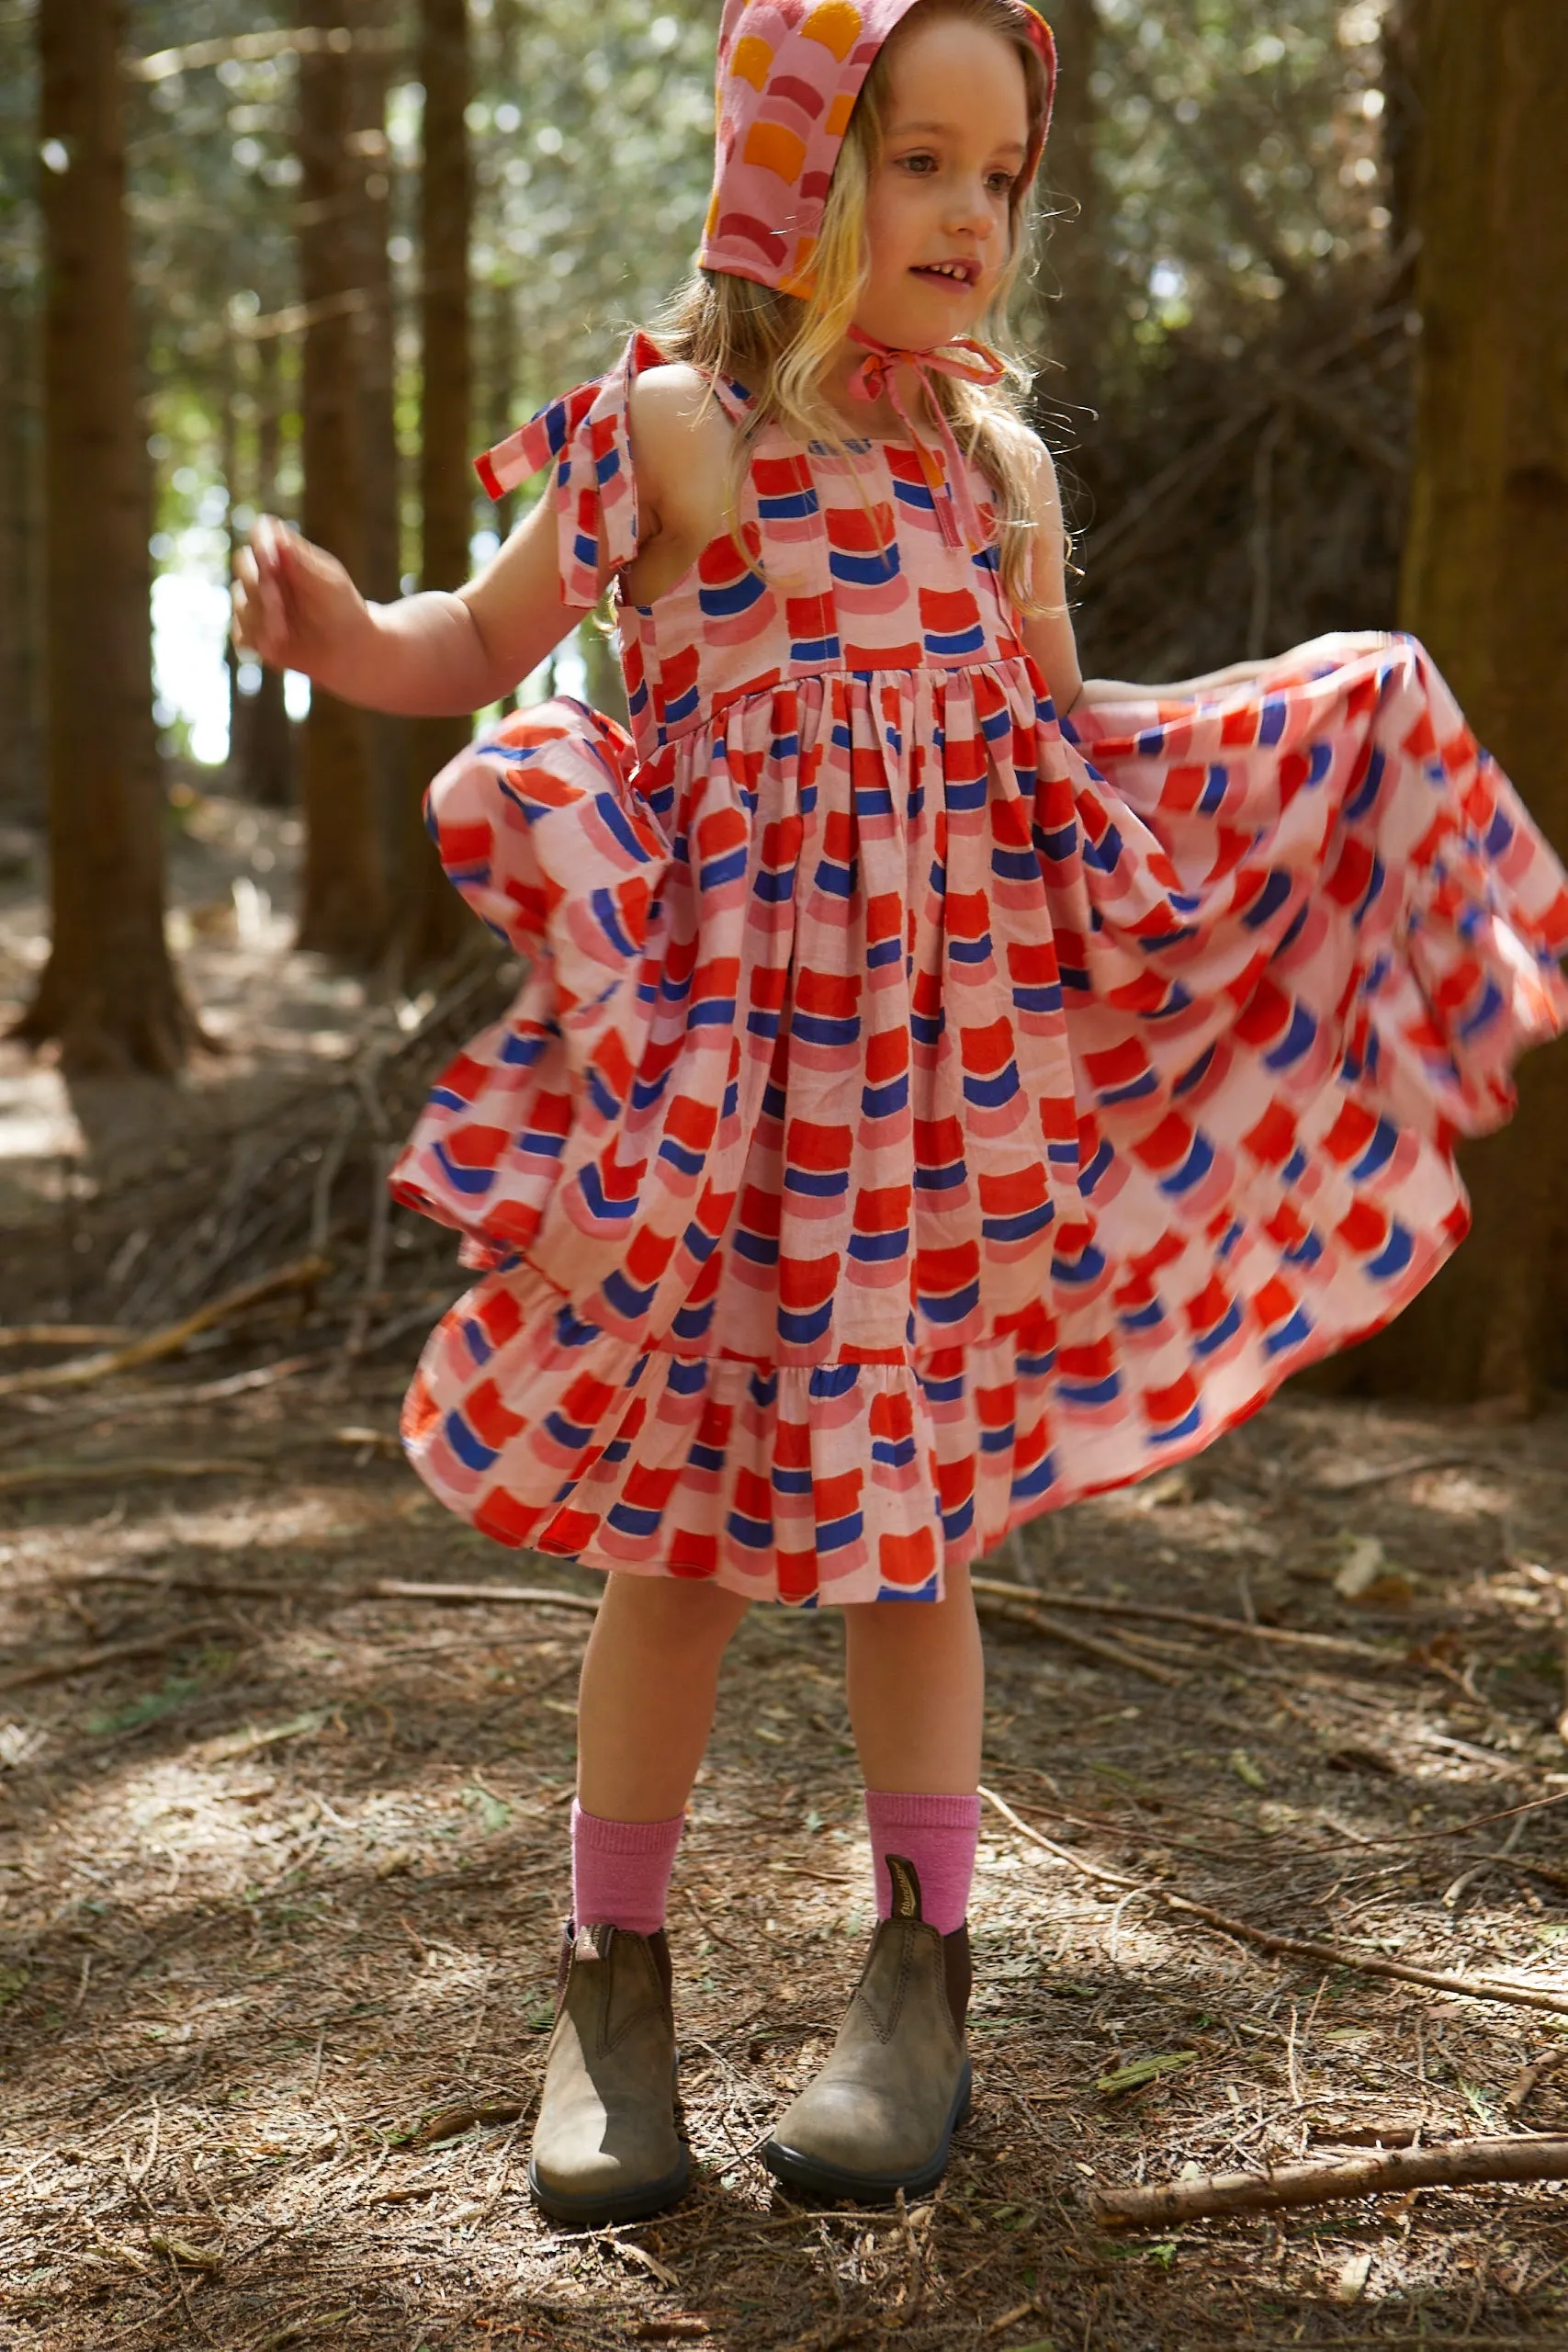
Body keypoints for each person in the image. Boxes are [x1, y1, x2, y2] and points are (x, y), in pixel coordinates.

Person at [233, 0, 1568, 2227]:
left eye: (999, 175)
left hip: (935, 1113)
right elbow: (472, 644)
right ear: (791, 159)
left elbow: (1054, 753)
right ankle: (609, 1980)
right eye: (915, 159)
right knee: (674, 1543)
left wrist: (1302, 746)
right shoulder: (674, 434)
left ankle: (916, 1971)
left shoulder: (993, 473)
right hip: (729, 1108)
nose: (965, 212)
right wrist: (337, 625)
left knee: (908, 1538)